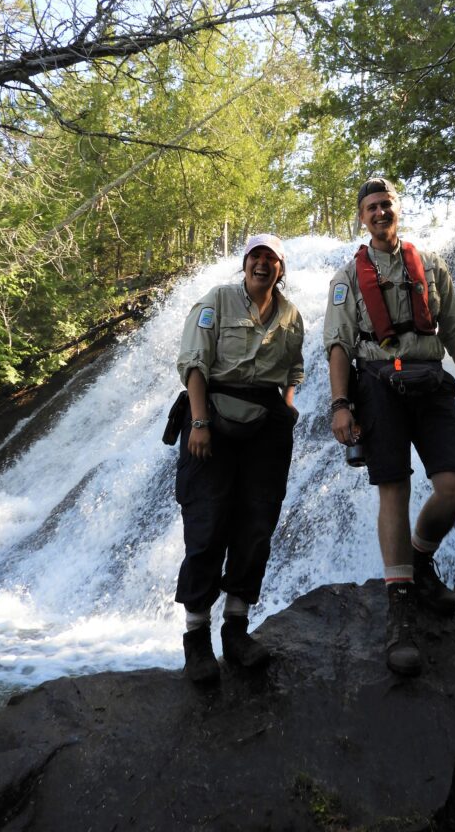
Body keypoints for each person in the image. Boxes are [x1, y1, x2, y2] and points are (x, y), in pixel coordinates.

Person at [324, 178, 455, 676]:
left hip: (430, 379)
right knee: (392, 489)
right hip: (376, 381)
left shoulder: (432, 265)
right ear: (361, 217)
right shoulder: (347, 275)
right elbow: (337, 343)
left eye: (386, 206)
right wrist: (339, 404)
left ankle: (419, 558)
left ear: (398, 212)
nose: (379, 213)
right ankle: (400, 608)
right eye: (371, 207)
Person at [175, 233, 304, 682]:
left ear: (281, 268)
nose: (263, 265)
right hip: (212, 419)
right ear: (244, 263)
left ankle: (236, 631)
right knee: (207, 528)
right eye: (256, 257)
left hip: (267, 428)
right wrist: (198, 423)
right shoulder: (217, 299)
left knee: (256, 528)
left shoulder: (290, 314)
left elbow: (294, 369)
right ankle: (196, 641)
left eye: (271, 259)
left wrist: (286, 406)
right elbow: (194, 363)